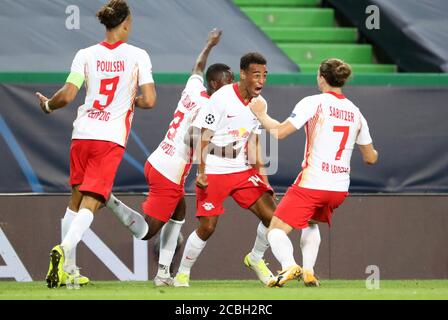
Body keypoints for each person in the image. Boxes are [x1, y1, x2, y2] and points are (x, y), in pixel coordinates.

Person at [36, 0, 157, 288]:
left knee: (75, 202)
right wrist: (133, 100)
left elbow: (66, 95)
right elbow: (150, 101)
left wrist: (48, 107)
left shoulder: (85, 54)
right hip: (109, 137)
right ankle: (63, 250)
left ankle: (70, 270)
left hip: (82, 134)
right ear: (126, 23)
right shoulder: (138, 55)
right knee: (93, 200)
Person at [104, 29, 234, 286]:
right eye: (229, 81)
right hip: (170, 171)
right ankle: (106, 197)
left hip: (158, 158)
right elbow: (194, 139)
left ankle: (163, 273)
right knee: (145, 231)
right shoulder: (209, 106)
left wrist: (209, 44)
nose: (232, 86)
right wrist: (227, 151)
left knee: (179, 214)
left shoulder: (194, 88)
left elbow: (198, 67)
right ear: (216, 84)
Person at [248, 58, 378, 287]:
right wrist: (373, 151)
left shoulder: (314, 102)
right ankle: (308, 271)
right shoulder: (356, 112)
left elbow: (279, 133)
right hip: (338, 188)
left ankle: (289, 265)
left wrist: (260, 114)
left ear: (321, 77)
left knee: (275, 230)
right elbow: (370, 158)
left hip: (313, 183)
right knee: (310, 223)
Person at [173, 52, 277, 287]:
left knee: (274, 218)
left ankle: (256, 258)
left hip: (241, 171)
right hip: (214, 171)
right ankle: (182, 274)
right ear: (243, 75)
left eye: (264, 76)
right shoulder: (221, 98)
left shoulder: (260, 104)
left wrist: (263, 178)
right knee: (207, 227)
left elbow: (253, 143)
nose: (261, 81)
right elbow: (201, 135)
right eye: (256, 75)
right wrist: (201, 171)